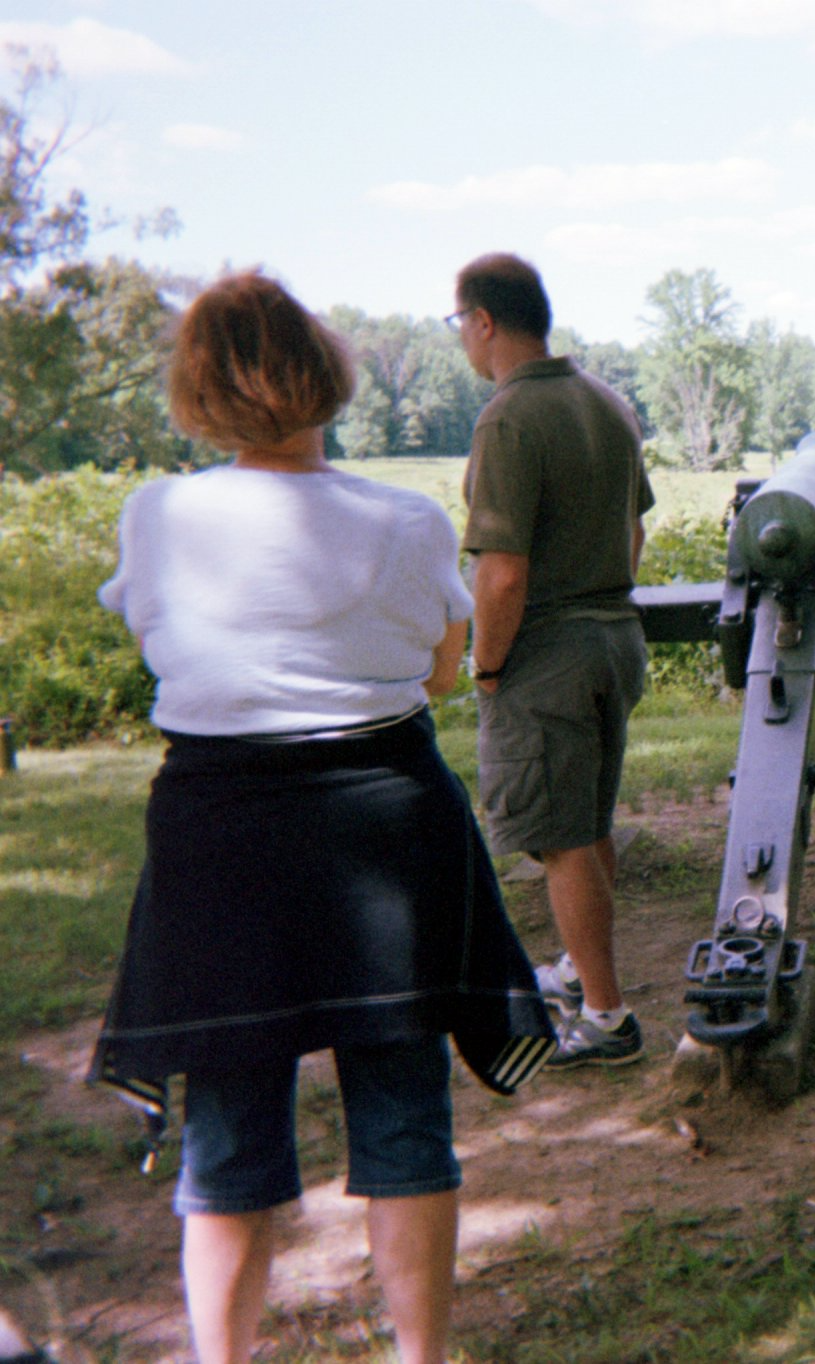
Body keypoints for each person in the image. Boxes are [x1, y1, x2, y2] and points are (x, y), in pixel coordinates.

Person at [90, 271, 557, 1364]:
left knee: (229, 1123)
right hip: (383, 816)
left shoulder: (157, 514)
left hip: (220, 829)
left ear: (200, 392)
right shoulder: (402, 518)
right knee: (403, 1110)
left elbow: (161, 645)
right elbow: (442, 664)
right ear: (327, 379)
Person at [451, 253, 656, 1068]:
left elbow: (501, 572)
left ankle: (607, 1020)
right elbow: (635, 530)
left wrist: (488, 667)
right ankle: (578, 971)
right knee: (590, 822)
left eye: (459, 323)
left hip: (546, 654)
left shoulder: (507, 419)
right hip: (615, 636)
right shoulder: (606, 402)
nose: (462, 339)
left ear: (484, 322)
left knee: (563, 840)